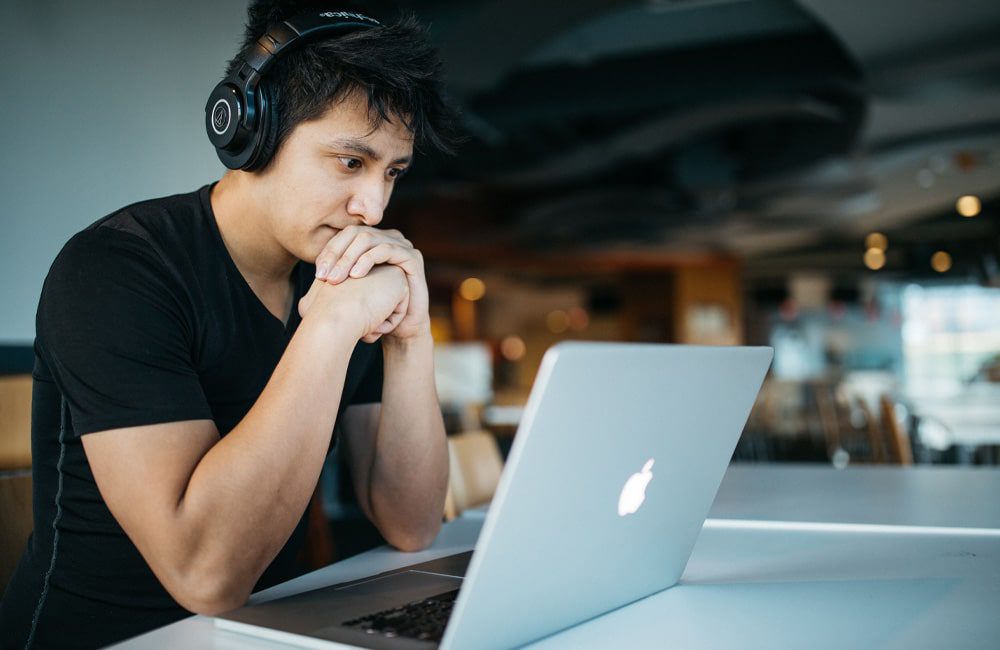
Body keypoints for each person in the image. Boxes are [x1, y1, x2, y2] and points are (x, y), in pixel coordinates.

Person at [0, 2, 459, 647]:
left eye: (393, 173)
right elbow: (204, 573)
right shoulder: (116, 270)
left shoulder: (339, 276)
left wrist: (412, 336)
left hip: (265, 632)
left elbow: (411, 524)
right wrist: (328, 327)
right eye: (351, 162)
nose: (373, 206)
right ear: (253, 130)